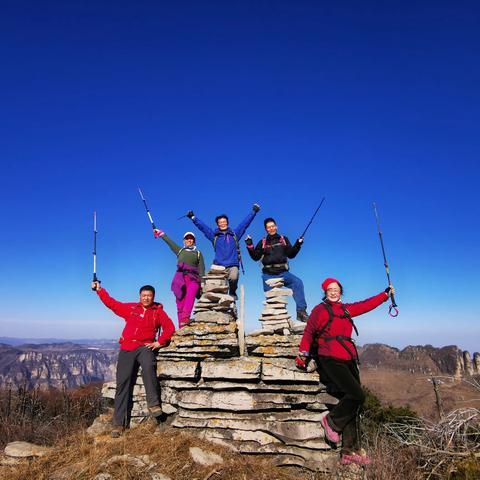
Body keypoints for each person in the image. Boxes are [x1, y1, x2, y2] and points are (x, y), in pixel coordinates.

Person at [296, 278, 395, 466]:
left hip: (348, 359)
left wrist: (384, 295)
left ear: (341, 291)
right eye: (329, 290)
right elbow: (309, 331)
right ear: (325, 292)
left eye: (336, 289)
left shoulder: (346, 309)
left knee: (353, 404)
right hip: (330, 358)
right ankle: (331, 422)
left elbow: (366, 305)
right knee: (356, 395)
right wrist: (303, 353)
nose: (333, 292)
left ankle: (349, 452)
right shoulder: (320, 310)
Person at [91, 281, 175, 437]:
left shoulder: (158, 312)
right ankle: (118, 425)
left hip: (145, 347)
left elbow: (170, 327)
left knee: (149, 367)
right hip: (127, 348)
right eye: (144, 295)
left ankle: (154, 405)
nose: (146, 298)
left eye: (149, 296)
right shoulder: (131, 308)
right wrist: (99, 290)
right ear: (140, 296)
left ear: (153, 297)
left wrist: (160, 342)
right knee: (123, 383)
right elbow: (112, 304)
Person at [186, 204, 260, 300]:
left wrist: (253, 212)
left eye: (224, 222)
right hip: (219, 265)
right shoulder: (214, 236)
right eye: (220, 222)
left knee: (233, 277)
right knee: (215, 287)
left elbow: (244, 224)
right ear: (217, 224)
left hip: (232, 264)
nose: (222, 223)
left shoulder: (235, 234)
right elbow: (203, 228)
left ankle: (232, 292)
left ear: (227, 223)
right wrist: (193, 217)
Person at [245, 217, 309, 322]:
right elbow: (255, 257)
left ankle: (301, 312)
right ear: (266, 229)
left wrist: (298, 244)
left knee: (297, 282)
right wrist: (250, 245)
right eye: (268, 227)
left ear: (276, 226)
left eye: (272, 226)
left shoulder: (283, 239)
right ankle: (273, 321)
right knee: (272, 301)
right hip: (268, 275)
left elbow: (291, 254)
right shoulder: (263, 242)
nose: (271, 228)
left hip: (283, 272)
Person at [153, 228, 205, 328]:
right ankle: (182, 326)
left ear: (194, 241)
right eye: (187, 238)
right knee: (180, 301)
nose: (189, 240)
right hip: (180, 278)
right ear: (184, 240)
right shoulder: (180, 250)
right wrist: (161, 234)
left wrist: (202, 282)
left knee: (191, 293)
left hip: (193, 278)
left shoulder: (198, 253)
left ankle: (185, 318)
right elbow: (170, 242)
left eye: (191, 239)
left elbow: (202, 268)